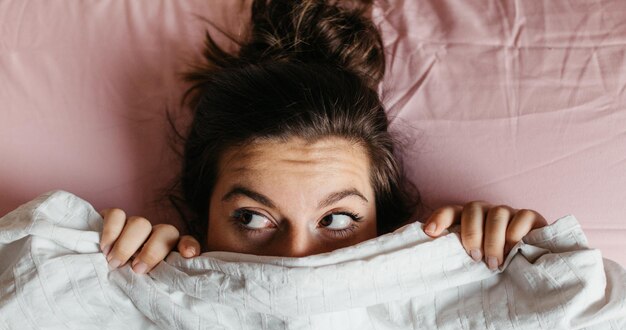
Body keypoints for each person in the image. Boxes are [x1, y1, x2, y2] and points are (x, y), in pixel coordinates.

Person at [99, 0, 547, 274]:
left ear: (383, 227)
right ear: (202, 223)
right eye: (251, 219)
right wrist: (109, 271)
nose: (298, 258)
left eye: (336, 220)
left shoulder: (470, 287)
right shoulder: (143, 289)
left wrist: (518, 264)